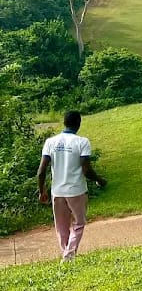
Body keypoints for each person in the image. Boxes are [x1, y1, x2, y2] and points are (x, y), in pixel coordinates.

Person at [36, 110, 107, 263]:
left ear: (64, 123)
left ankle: (66, 256)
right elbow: (86, 170)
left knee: (61, 227)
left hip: (57, 192)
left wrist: (42, 191)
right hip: (77, 191)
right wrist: (100, 180)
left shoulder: (50, 142)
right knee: (78, 224)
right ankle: (68, 256)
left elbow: (41, 171)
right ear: (79, 124)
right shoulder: (82, 142)